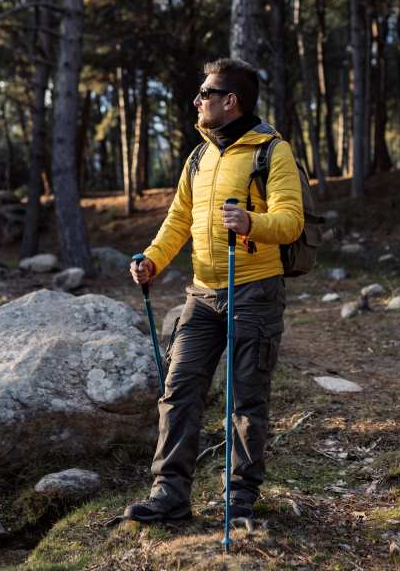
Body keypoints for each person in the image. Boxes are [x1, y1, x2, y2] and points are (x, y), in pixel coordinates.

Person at [125, 58, 304, 523]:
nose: (197, 100)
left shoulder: (272, 151)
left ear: (230, 101)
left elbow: (290, 221)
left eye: (205, 93)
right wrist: (153, 259)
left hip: (255, 291)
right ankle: (169, 495)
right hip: (202, 293)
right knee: (178, 389)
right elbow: (178, 219)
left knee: (245, 398)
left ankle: (240, 499)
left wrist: (252, 222)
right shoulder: (199, 156)